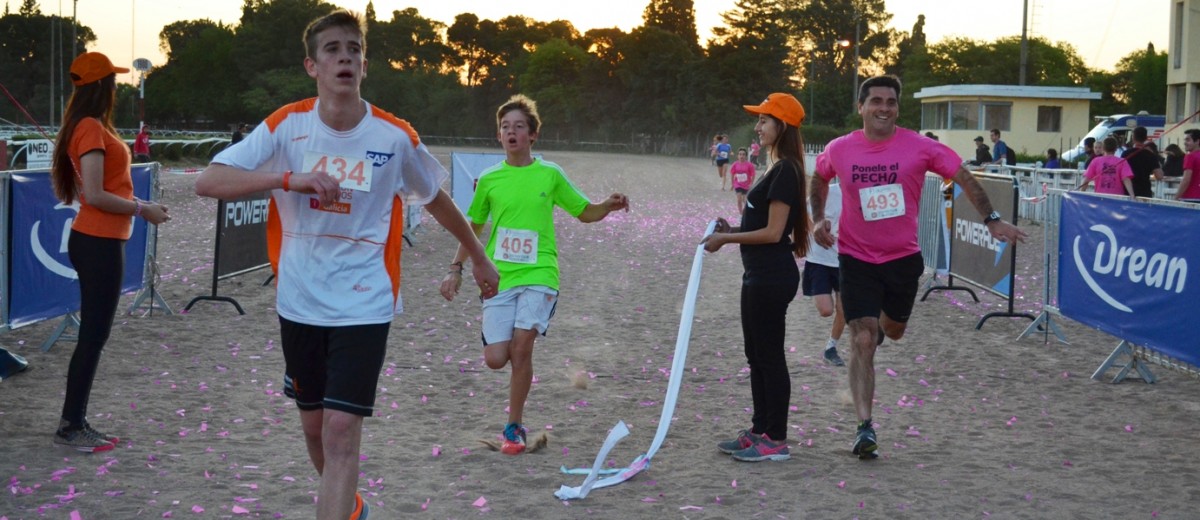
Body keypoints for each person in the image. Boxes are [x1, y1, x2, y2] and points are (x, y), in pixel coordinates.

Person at [194, 11, 499, 520]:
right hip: (299, 300)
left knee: (340, 430)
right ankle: (352, 508)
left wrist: (480, 257)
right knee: (315, 430)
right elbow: (209, 182)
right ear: (312, 66)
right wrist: (288, 179)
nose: (345, 58)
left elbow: (434, 198)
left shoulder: (394, 136)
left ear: (365, 65)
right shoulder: (286, 125)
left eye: (354, 49)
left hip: (364, 300)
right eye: (333, 49)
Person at [811, 75, 1026, 460]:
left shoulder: (920, 147)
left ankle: (879, 328)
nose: (883, 108)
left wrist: (992, 219)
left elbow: (963, 177)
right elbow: (819, 177)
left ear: (897, 109)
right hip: (856, 258)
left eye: (891, 102)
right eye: (876, 101)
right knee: (862, 339)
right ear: (861, 107)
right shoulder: (840, 148)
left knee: (892, 332)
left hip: (902, 259)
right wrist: (817, 218)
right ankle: (865, 427)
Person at [439, 94, 629, 456]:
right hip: (499, 275)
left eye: (519, 127)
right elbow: (472, 228)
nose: (511, 132)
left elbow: (584, 212)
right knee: (496, 358)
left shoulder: (550, 173)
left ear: (533, 135)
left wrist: (607, 205)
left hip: (541, 271)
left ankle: (514, 425)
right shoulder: (489, 179)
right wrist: (456, 268)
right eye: (505, 127)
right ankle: (517, 376)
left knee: (522, 346)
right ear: (498, 136)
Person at [50, 52, 171, 453]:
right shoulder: (89, 127)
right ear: (102, 85)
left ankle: (75, 421)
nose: (117, 86)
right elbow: (96, 195)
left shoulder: (91, 125)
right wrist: (142, 209)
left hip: (101, 240)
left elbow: (105, 190)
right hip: (96, 241)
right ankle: (71, 425)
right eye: (113, 81)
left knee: (94, 335)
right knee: (93, 336)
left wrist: (141, 205)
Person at [703, 92, 809, 463]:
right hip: (758, 275)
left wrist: (726, 240)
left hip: (771, 277)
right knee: (756, 354)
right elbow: (761, 225)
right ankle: (760, 430)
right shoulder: (775, 168)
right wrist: (730, 228)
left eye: (764, 120)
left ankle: (775, 439)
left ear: (782, 125)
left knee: (769, 356)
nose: (758, 126)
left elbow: (774, 233)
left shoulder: (786, 171)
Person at [803, 181, 845, 367]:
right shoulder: (827, 192)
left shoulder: (862, 194)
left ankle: (831, 348)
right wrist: (815, 230)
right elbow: (802, 212)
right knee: (826, 310)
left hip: (845, 260)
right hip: (819, 260)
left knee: (844, 310)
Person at [1121, 127, 1164, 198]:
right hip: (1144, 192)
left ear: (1133, 138)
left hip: (1128, 191)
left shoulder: (1125, 154)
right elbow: (1159, 176)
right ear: (1146, 138)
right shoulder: (1150, 155)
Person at [1175, 129, 1200, 202]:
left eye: (1188, 140)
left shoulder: (1190, 156)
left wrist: (1176, 197)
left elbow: (1186, 179)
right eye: (1184, 140)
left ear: (1197, 141)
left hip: (1190, 197)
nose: (1185, 143)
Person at [729, 147, 756, 214]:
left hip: (746, 185)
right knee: (739, 199)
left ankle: (746, 211)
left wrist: (751, 183)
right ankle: (741, 213)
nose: (742, 156)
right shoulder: (735, 164)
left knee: (745, 200)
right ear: (737, 156)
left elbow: (753, 174)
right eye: (740, 154)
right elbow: (732, 174)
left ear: (746, 156)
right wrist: (732, 184)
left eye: (743, 154)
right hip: (737, 184)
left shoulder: (749, 165)